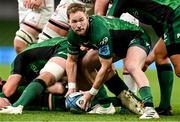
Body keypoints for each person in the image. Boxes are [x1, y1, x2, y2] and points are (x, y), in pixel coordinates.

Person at [65, 3, 159, 119]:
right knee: (85, 63)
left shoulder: (100, 32)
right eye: (74, 22)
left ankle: (150, 109)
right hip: (116, 45)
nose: (79, 25)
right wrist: (71, 87)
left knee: (131, 66)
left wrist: (91, 93)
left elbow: (106, 67)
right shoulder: (72, 36)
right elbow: (71, 60)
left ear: (87, 18)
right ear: (69, 22)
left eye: (81, 20)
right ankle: (105, 105)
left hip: (137, 37)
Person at [94, 0, 175, 115]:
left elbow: (102, 16)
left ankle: (131, 103)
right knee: (159, 56)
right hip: (161, 21)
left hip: (169, 18)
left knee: (132, 65)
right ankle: (164, 106)